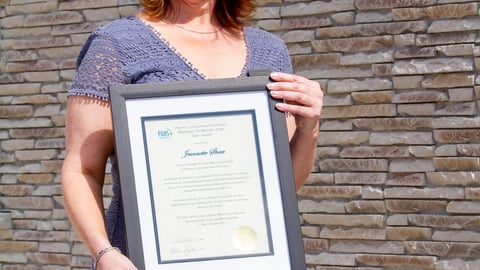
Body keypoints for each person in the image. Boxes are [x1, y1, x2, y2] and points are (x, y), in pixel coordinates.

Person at [61, 0, 323, 269]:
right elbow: (82, 170)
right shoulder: (115, 44)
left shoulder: (269, 51)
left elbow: (282, 185)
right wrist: (103, 252)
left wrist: (309, 128)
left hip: (249, 256)